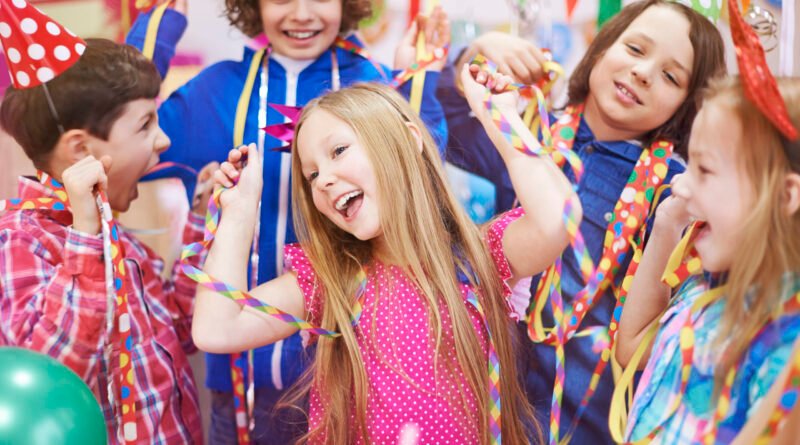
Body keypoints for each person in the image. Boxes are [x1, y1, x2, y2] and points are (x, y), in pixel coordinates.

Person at [193, 68, 579, 444]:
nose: (323, 179)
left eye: (339, 151)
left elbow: (558, 220)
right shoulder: (331, 280)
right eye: (311, 175)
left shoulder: (480, 256)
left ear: (409, 138)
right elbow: (217, 329)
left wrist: (502, 119)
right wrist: (239, 212)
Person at [125, 2, 449, 441]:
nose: (301, 13)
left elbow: (423, 175)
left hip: (360, 376)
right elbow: (116, 133)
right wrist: (158, 31)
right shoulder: (218, 90)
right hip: (241, 384)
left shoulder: (373, 80)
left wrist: (418, 81)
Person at [436, 1, 725, 442]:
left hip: (586, 422)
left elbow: (658, 325)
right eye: (634, 48)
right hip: (486, 407)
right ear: (600, 48)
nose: (643, 72)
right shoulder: (527, 131)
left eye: (670, 76)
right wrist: (475, 55)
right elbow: (442, 120)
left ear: (688, 106)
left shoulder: (676, 191)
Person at [0, 38, 215, 444]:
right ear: (80, 149)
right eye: (145, 124)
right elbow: (53, 380)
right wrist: (85, 237)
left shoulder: (120, 242)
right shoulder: (17, 242)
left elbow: (184, 329)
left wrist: (202, 219)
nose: (163, 139)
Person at [616, 76, 800, 443]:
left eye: (705, 169)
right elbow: (632, 347)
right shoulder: (705, 286)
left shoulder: (785, 337)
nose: (679, 185)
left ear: (783, 198)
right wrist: (667, 223)